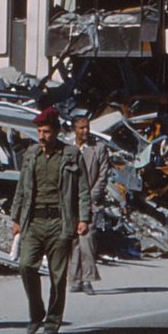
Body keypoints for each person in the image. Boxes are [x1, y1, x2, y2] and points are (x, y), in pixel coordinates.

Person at [10, 107, 92, 334]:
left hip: (60, 221)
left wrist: (83, 218)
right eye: (39, 131)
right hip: (33, 221)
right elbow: (21, 188)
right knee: (26, 266)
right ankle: (36, 313)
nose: (41, 136)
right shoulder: (31, 155)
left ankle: (53, 320)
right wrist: (16, 218)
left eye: (46, 131)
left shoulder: (70, 155)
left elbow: (83, 189)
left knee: (58, 275)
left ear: (56, 132)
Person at [68, 115, 110, 296]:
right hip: (71, 202)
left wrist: (91, 196)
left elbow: (103, 175)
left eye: (87, 127)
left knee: (87, 241)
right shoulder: (67, 149)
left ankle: (87, 279)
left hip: (91, 201)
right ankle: (75, 279)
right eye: (81, 128)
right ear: (74, 130)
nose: (85, 131)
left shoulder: (98, 149)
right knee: (73, 242)